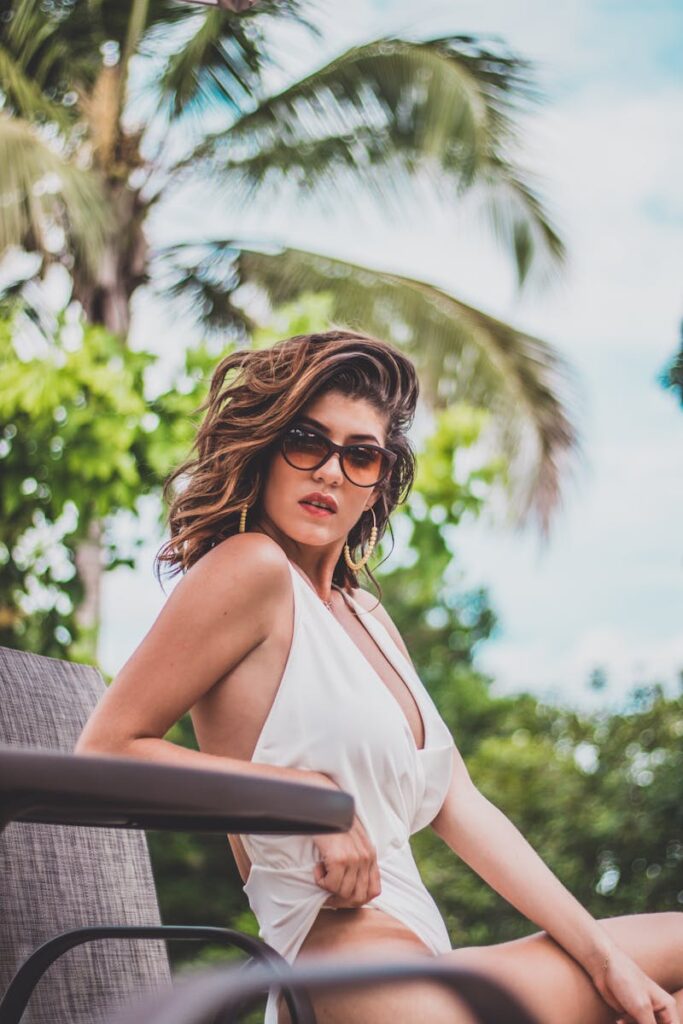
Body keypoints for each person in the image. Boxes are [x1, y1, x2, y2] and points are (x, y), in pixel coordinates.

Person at [76, 330, 683, 1024]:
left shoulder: (365, 614)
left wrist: (606, 961)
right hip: (342, 968)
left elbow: (463, 807)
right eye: (307, 441)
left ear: (378, 482)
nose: (330, 472)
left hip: (420, 951)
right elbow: (106, 748)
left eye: (359, 454)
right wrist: (302, 799)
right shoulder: (249, 569)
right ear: (269, 449)